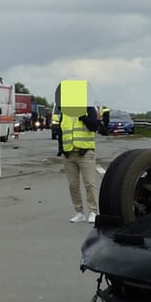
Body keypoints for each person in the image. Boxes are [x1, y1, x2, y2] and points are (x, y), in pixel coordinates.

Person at [56, 80, 101, 223]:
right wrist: (61, 149)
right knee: (73, 185)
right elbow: (61, 131)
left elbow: (95, 126)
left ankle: (93, 211)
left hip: (85, 152)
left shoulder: (89, 109)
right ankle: (79, 212)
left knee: (89, 184)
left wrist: (84, 116)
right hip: (69, 153)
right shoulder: (65, 112)